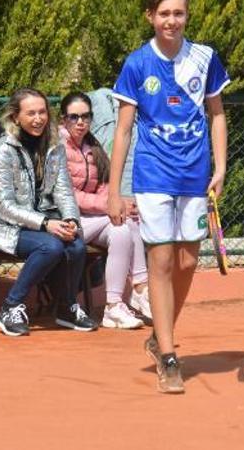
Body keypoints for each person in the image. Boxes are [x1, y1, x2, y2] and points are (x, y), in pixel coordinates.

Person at [109, 0, 230, 393]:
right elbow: (123, 131)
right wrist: (114, 191)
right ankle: (169, 354)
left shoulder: (205, 58)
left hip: (195, 176)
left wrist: (222, 166)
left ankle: (159, 336)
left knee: (187, 264)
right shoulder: (137, 64)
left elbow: (216, 114)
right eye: (164, 14)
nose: (171, 21)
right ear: (150, 17)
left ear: (187, 15)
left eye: (178, 13)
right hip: (153, 176)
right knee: (160, 264)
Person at [0, 88, 99, 337]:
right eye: (31, 113)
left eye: (42, 112)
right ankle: (10, 306)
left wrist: (70, 221)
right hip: (5, 226)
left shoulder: (54, 146)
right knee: (50, 247)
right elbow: (4, 206)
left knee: (76, 244)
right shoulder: (2, 149)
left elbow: (64, 192)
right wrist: (46, 223)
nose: (38, 118)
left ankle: (66, 308)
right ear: (15, 117)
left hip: (44, 223)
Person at [59, 92, 151, 330]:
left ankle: (114, 306)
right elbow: (66, 194)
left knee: (124, 225)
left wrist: (116, 201)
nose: (81, 122)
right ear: (63, 120)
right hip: (63, 220)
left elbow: (104, 185)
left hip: (90, 219)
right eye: (74, 117)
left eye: (86, 116)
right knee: (123, 220)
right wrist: (108, 205)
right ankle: (140, 288)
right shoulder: (56, 148)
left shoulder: (92, 146)